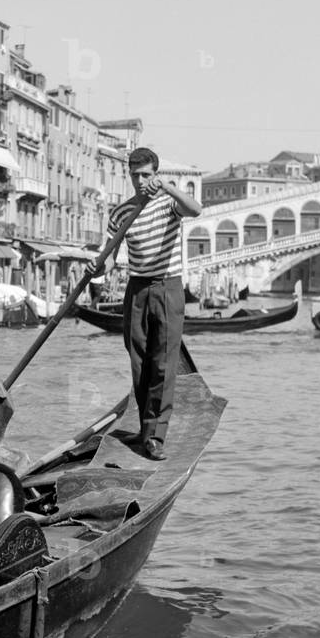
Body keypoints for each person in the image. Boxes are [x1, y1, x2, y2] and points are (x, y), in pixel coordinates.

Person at [87, 147, 201, 462]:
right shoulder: (121, 213)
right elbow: (110, 258)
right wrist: (97, 267)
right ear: (129, 175)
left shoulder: (168, 204)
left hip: (167, 286)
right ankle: (144, 427)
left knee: (163, 364)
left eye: (146, 175)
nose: (140, 181)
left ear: (155, 174)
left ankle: (155, 436)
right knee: (139, 363)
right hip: (136, 289)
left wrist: (167, 187)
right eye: (135, 175)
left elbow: (196, 210)